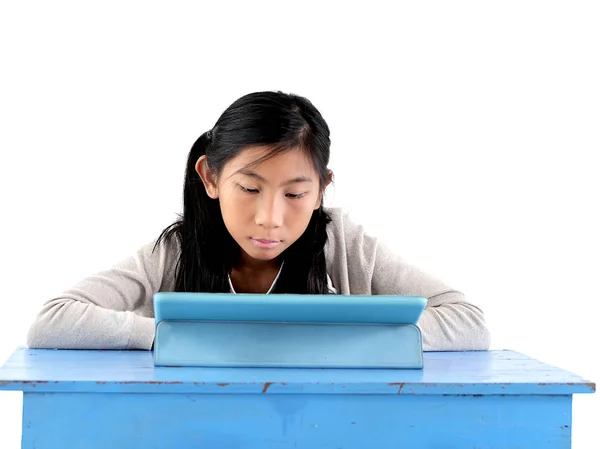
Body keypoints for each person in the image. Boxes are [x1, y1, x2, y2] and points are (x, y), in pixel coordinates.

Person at [26, 91, 490, 352]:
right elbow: (53, 321)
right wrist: (175, 337)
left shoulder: (340, 243)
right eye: (249, 189)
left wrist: (343, 335)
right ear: (210, 177)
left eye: (295, 194)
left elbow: (468, 322)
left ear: (322, 189)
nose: (270, 218)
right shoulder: (177, 249)